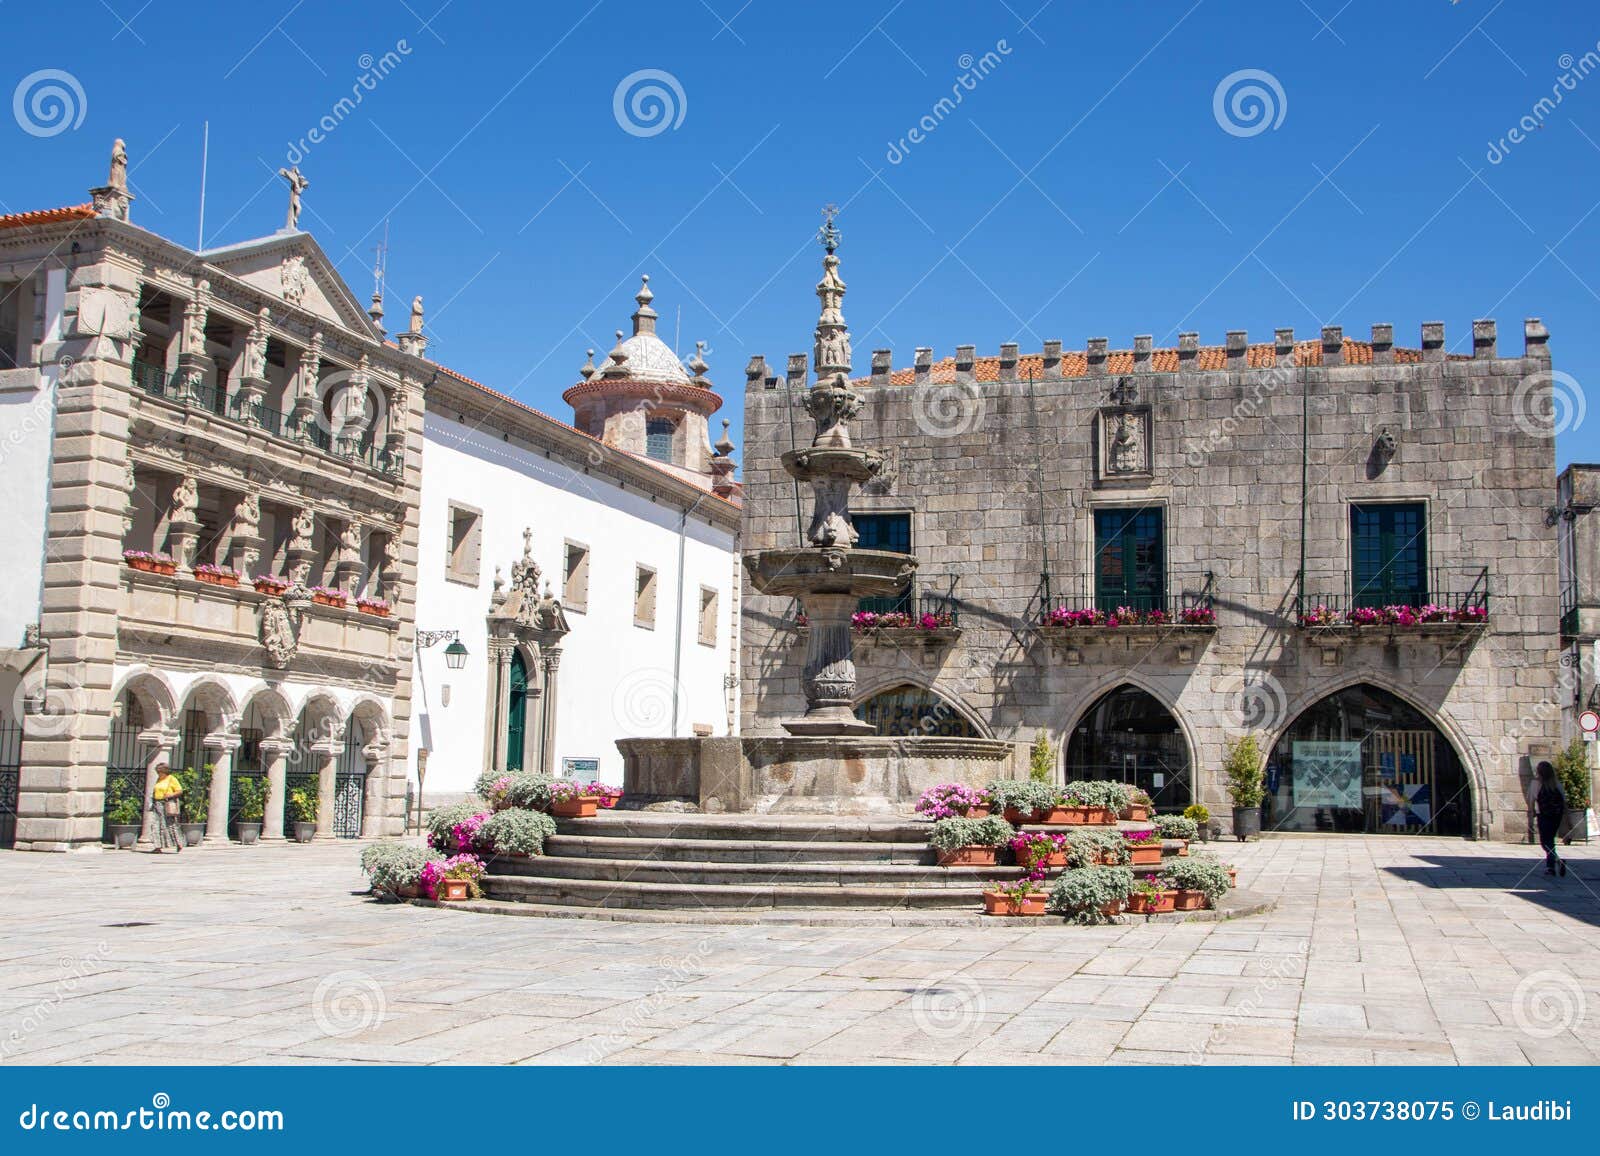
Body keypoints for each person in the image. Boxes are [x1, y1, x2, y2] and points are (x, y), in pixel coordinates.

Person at [1532, 760, 1566, 876]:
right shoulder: (1556, 783)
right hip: (1556, 816)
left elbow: (1532, 800)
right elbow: (1564, 800)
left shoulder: (1536, 783)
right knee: (1550, 840)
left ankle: (1554, 863)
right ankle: (1552, 865)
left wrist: (1532, 812)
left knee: (1545, 842)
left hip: (1543, 815)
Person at [150, 764, 184, 854]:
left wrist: (171, 795)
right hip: (157, 804)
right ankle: (158, 846)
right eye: (157, 772)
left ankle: (179, 843)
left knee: (170, 825)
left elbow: (180, 790)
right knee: (156, 825)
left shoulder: (171, 779)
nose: (158, 774)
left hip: (166, 804)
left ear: (165, 772)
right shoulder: (159, 780)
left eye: (160, 772)